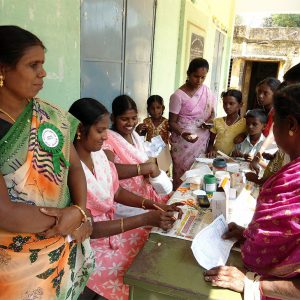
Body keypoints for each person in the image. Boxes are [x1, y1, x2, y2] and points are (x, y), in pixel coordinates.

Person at [0, 26, 94, 299]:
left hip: (64, 245)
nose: (42, 73)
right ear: (3, 69)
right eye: (33, 65)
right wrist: (65, 222)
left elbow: (75, 168)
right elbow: (4, 211)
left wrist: (79, 210)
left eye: (43, 64)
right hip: (15, 262)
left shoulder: (50, 116)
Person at [69, 98, 180, 300]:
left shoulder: (99, 156)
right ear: (79, 130)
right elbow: (89, 227)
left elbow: (116, 192)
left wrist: (155, 204)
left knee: (155, 249)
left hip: (112, 233)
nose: (105, 137)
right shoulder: (71, 170)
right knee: (139, 278)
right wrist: (144, 218)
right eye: (100, 131)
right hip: (90, 245)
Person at [204, 84, 300, 300]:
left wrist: (254, 286)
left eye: (274, 123)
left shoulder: (292, 181)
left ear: (291, 125)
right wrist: (249, 235)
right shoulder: (291, 169)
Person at [103, 95, 170, 218]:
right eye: (124, 119)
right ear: (113, 118)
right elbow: (107, 169)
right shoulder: (108, 139)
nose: (130, 123)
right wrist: (143, 168)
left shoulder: (134, 136)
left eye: (134, 118)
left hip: (144, 196)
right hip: (125, 203)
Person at [169, 58, 215, 189]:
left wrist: (209, 122)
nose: (199, 81)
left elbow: (212, 114)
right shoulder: (177, 96)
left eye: (203, 77)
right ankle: (178, 202)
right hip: (183, 143)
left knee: (198, 173)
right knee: (182, 175)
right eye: (196, 76)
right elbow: (172, 122)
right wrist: (184, 134)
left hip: (202, 140)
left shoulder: (207, 92)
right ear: (188, 73)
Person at [136, 95, 171, 172]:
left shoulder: (167, 123)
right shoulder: (146, 121)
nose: (155, 111)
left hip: (163, 153)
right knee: (150, 173)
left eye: (158, 107)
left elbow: (173, 136)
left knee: (163, 173)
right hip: (150, 153)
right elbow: (141, 137)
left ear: (163, 108)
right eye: (152, 108)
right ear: (148, 109)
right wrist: (138, 130)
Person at [206, 89, 246, 157]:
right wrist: (211, 151)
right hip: (217, 158)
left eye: (231, 103)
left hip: (234, 159)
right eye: (224, 103)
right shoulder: (217, 121)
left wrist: (244, 135)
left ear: (240, 105)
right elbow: (210, 143)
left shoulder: (245, 123)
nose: (227, 106)